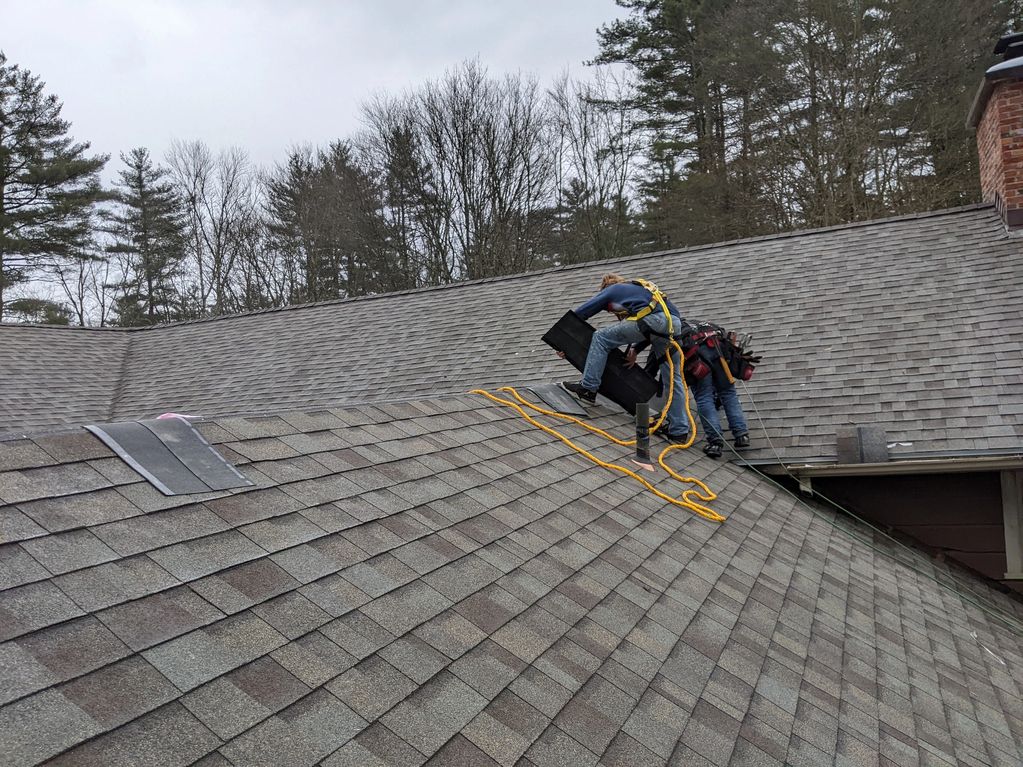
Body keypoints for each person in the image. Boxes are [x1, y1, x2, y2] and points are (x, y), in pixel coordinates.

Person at [560, 274, 691, 443]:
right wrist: (636, 349)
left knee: (601, 338)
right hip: (674, 325)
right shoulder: (641, 291)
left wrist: (562, 340)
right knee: (673, 379)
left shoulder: (613, 289)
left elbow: (582, 312)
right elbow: (655, 324)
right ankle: (679, 431)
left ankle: (588, 388)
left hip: (653, 322)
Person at [682, 321, 752, 458]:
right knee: (728, 393)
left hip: (699, 361)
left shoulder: (680, 330)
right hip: (720, 356)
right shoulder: (708, 325)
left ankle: (715, 442)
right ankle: (742, 435)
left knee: (704, 397)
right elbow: (725, 337)